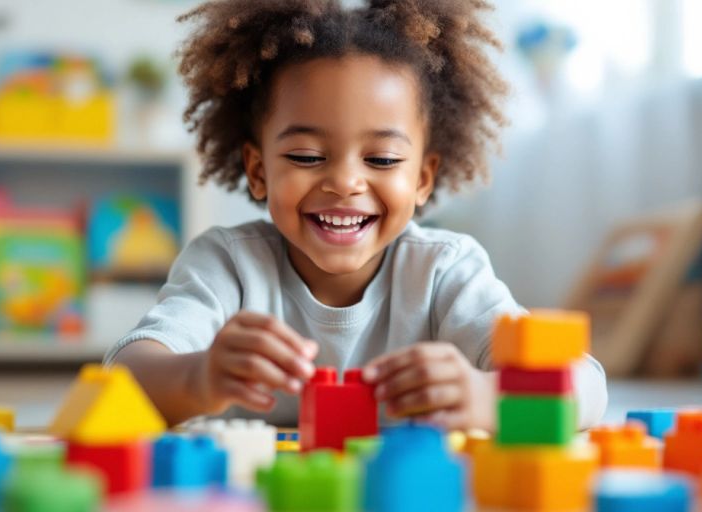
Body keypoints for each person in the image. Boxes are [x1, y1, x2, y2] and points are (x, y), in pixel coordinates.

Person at [107, 0, 607, 430]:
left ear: (422, 180)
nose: (345, 183)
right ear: (258, 172)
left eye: (383, 160)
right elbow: (124, 375)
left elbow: (586, 386)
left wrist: (486, 398)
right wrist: (200, 377)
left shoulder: (444, 271)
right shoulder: (227, 265)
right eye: (306, 156)